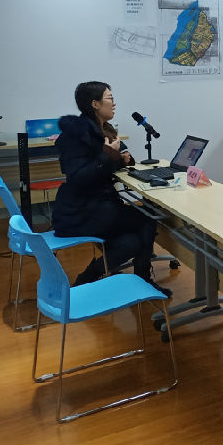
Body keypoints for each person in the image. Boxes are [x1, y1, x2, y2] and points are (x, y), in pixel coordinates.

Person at [52, 82, 170, 296]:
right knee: (148, 218)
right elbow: (78, 177)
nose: (114, 104)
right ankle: (143, 281)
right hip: (81, 211)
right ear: (95, 104)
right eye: (110, 99)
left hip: (100, 204)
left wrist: (121, 157)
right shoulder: (76, 134)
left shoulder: (104, 129)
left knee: (131, 243)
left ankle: (88, 278)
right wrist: (108, 155)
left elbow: (120, 158)